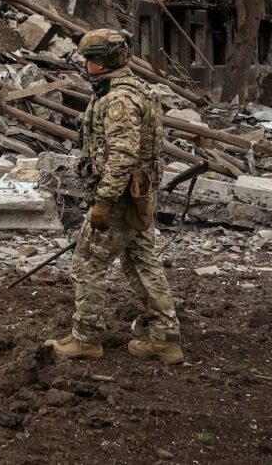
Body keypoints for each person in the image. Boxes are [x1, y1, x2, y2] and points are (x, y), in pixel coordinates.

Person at [44, 28, 184, 364]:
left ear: (104, 60)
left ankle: (86, 338)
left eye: (90, 60)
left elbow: (122, 155)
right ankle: (166, 338)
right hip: (139, 195)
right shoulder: (134, 89)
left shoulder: (119, 98)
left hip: (120, 198)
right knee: (142, 264)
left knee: (87, 264)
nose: (86, 66)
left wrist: (103, 202)